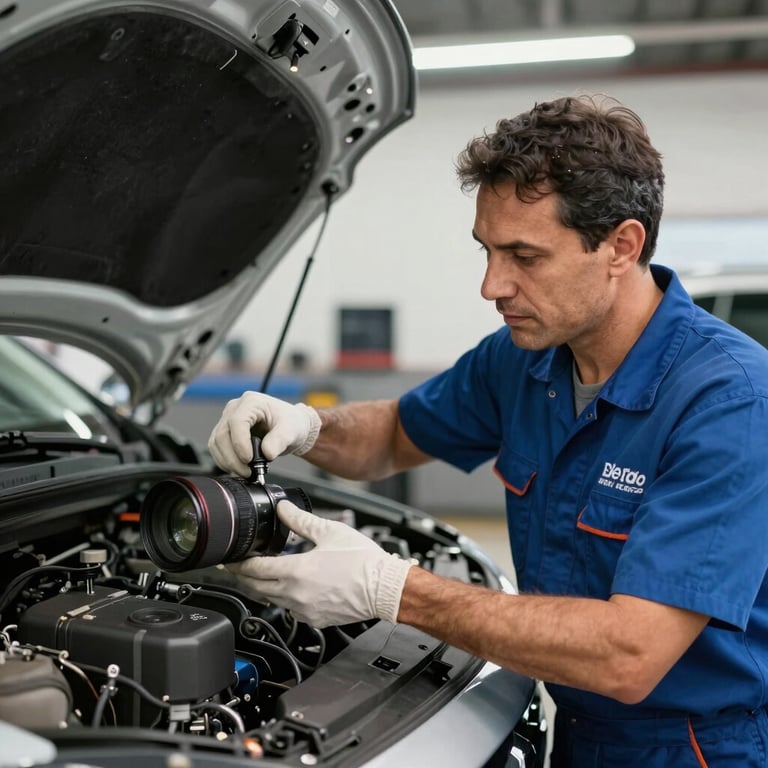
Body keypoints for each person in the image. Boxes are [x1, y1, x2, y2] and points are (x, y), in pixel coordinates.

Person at [208, 94, 768, 767]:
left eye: (524, 256)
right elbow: (391, 435)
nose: (490, 285)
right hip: (580, 731)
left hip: (696, 749)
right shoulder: (524, 359)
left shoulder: (730, 400)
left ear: (622, 246)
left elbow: (632, 654)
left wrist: (393, 589)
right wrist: (302, 425)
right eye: (486, 250)